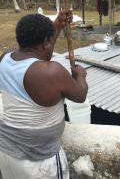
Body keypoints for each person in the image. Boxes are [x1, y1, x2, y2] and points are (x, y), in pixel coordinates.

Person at [0, 11, 88, 178]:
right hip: (39, 160)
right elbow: (80, 95)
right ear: (46, 42)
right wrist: (80, 76)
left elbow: (41, 55)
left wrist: (57, 24)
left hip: (6, 152)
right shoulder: (51, 72)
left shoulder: (5, 59)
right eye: (49, 40)